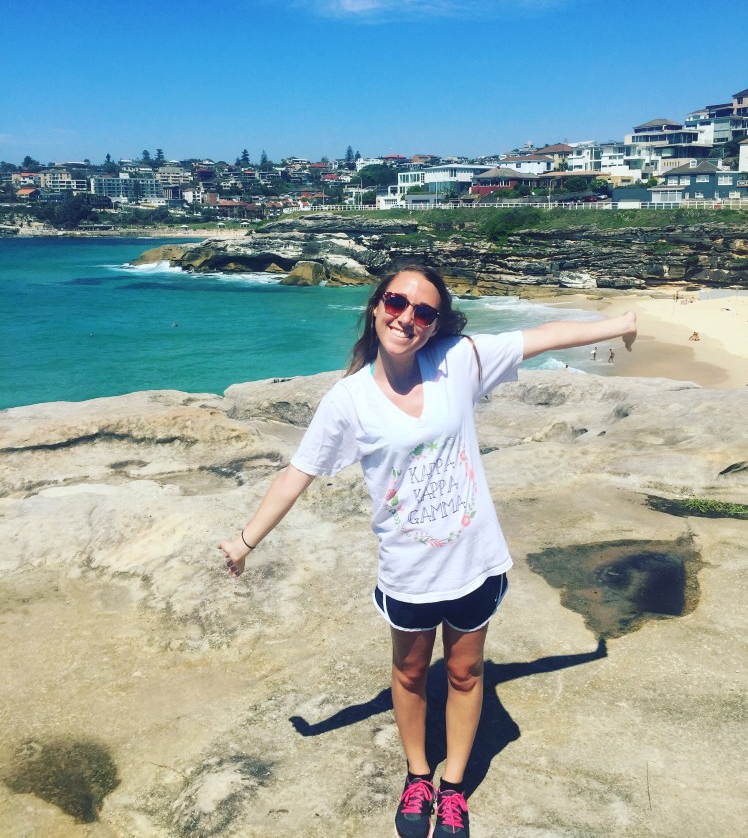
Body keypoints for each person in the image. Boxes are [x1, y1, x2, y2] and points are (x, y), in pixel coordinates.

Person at [218, 266, 638, 838]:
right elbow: (298, 473)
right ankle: (418, 774)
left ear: (435, 324)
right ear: (376, 306)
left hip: (474, 561)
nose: (406, 319)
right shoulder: (348, 399)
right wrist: (245, 542)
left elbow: (543, 337)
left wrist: (621, 322)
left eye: (423, 312)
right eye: (396, 302)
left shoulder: (458, 361)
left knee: (465, 673)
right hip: (409, 571)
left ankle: (453, 786)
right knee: (411, 673)